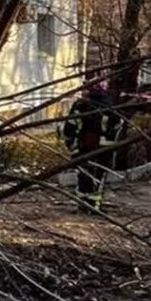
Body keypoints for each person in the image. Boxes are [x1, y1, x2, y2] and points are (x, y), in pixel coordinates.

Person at [62, 80, 121, 213]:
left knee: (83, 176)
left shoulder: (80, 105)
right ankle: (95, 206)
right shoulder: (110, 106)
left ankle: (83, 205)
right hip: (104, 150)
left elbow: (70, 125)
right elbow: (117, 129)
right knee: (99, 177)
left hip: (83, 147)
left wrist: (70, 143)